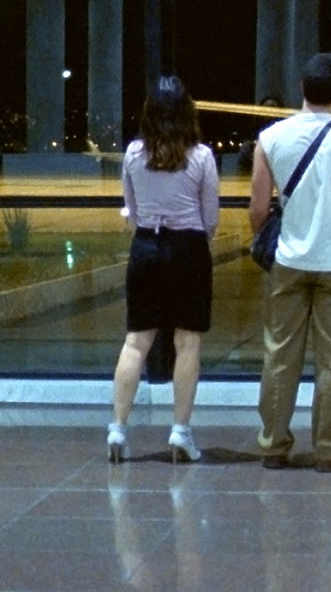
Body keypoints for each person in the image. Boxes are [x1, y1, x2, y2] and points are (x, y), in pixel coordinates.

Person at [250, 52, 331, 472]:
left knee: (279, 354)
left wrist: (272, 239)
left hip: (288, 261)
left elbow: (258, 208)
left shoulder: (271, 137)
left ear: (301, 89)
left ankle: (273, 445)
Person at [109, 75, 220, 464]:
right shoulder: (201, 157)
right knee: (187, 343)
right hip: (189, 248)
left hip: (146, 246)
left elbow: (132, 209)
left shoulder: (133, 154)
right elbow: (210, 218)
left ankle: (118, 429)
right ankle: (180, 432)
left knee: (135, 342)